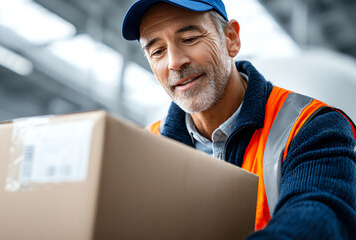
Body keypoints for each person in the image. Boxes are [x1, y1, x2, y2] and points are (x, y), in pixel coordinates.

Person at [121, 0, 356, 239]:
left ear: (231, 39)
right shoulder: (144, 148)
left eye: (190, 38)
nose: (174, 62)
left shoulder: (313, 126)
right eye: (157, 51)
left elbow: (318, 220)